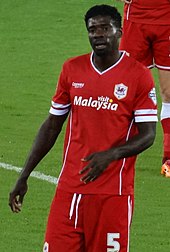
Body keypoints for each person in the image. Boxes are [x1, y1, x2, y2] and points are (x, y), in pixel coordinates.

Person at [9, 4, 158, 252]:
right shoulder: (72, 69)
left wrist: (111, 154)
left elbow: (148, 135)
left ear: (119, 32)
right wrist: (24, 176)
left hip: (113, 195)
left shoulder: (138, 75)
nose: (98, 34)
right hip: (69, 191)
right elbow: (51, 126)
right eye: (92, 29)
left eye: (105, 28)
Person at [116, 0, 170, 174]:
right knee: (127, 91)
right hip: (135, 20)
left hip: (167, 18)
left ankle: (168, 157)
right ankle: (118, 153)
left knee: (169, 92)